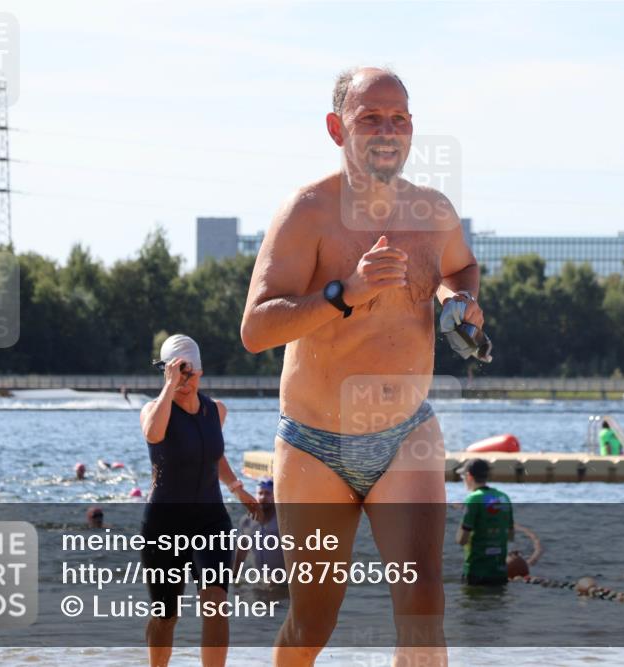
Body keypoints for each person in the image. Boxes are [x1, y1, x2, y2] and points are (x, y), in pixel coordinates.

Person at [241, 66, 483, 667]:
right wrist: (342, 293)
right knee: (313, 622)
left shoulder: (433, 211)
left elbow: (463, 268)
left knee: (424, 608)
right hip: (314, 445)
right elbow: (256, 329)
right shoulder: (308, 211)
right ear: (336, 128)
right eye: (369, 117)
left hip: (407, 436)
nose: (387, 130)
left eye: (398, 118)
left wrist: (458, 299)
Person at [138, 333, 260, 667]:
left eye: (188, 374)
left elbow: (212, 456)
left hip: (210, 520)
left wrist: (238, 488)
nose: (183, 381)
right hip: (164, 524)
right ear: (165, 372)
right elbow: (153, 434)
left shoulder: (215, 411)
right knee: (165, 616)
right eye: (176, 374)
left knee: (217, 606)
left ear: (201, 372)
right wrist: (169, 384)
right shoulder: (154, 409)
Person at [455, 459, 514, 586]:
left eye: (463, 476)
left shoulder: (473, 499)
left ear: (469, 476)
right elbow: (511, 536)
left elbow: (461, 540)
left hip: (476, 571)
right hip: (500, 572)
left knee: (472, 603)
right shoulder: (503, 497)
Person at [234, 478, 286, 576]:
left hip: (283, 583)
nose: (263, 497)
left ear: (275, 496)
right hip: (259, 581)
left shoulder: (283, 521)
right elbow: (242, 550)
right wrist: (234, 575)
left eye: (267, 493)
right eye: (260, 493)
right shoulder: (247, 521)